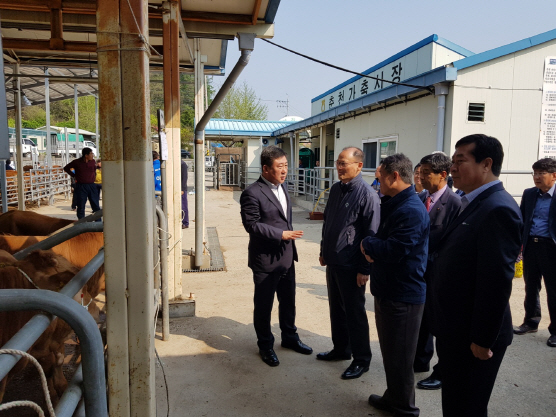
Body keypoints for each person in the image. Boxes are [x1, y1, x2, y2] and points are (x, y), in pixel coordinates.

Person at [430, 134, 522, 417]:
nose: (453, 168)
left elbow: (495, 283)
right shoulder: (473, 201)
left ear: (487, 164)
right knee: (456, 402)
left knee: (467, 406)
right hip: (456, 329)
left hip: (472, 338)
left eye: (460, 161)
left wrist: (482, 340)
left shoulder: (498, 209)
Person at [361, 153, 430, 417]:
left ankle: (405, 408)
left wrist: (368, 245)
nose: (377, 183)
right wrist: (374, 246)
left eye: (380, 178)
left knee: (401, 358)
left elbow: (394, 249)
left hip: (403, 295)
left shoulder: (410, 210)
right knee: (392, 354)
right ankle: (394, 397)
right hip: (389, 289)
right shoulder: (395, 203)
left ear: (395, 176)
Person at [240, 146, 312, 367]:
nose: (284, 171)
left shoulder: (284, 187)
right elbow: (251, 225)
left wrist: (286, 239)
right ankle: (266, 345)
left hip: (286, 257)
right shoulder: (252, 193)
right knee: (264, 305)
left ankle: (290, 338)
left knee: (288, 302)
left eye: (286, 166)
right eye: (279, 167)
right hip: (265, 259)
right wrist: (280, 234)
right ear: (265, 168)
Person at [318, 147, 380, 380]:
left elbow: (371, 234)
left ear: (359, 166)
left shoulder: (367, 194)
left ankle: (361, 359)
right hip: (334, 261)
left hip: (353, 265)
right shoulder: (336, 189)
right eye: (338, 163)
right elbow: (328, 222)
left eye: (345, 163)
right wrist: (324, 249)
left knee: (355, 313)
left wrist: (365, 269)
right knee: (337, 310)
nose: (340, 167)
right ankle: (341, 349)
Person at [413, 153, 461, 391]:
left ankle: (443, 371)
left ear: (443, 175)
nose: (420, 177)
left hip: (440, 274)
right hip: (420, 272)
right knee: (422, 320)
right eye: (419, 172)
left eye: (425, 173)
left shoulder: (455, 204)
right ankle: (420, 361)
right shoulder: (421, 198)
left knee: (441, 325)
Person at [513, 157, 556, 347]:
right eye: (535, 173)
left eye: (541, 173)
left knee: (554, 290)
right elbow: (522, 220)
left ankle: (555, 330)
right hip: (531, 244)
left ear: (554, 176)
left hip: (551, 247)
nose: (536, 177)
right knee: (531, 286)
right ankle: (531, 321)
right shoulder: (529, 194)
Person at [63, 148, 100, 219]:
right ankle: (81, 222)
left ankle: (98, 222)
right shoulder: (76, 162)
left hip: (92, 185)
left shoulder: (92, 162)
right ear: (86, 155)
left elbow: (94, 170)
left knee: (95, 205)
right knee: (81, 205)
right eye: (91, 154)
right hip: (81, 186)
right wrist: (74, 174)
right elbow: (66, 168)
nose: (92, 155)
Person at [181, 160, 189, 229]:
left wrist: (182, 189)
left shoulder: (182, 164)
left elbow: (184, 178)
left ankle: (185, 223)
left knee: (183, 206)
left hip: (182, 189)